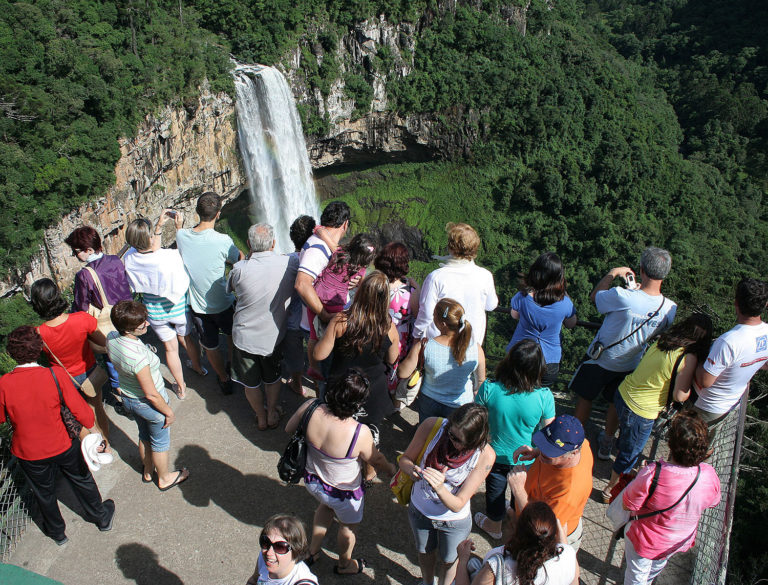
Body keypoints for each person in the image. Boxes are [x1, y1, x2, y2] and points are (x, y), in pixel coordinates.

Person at [0, 326, 115, 545]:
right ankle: (100, 517)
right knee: (81, 478)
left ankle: (58, 532)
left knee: (43, 492)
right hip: (62, 442)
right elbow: (82, 413)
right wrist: (92, 431)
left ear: (11, 354)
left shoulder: (4, 383)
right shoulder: (54, 374)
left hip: (28, 450)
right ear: (40, 348)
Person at [569, 247, 677, 459]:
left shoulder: (623, 296)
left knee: (585, 396)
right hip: (632, 363)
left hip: (601, 359)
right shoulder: (669, 308)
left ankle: (573, 441)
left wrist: (612, 273)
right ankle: (606, 443)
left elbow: (596, 297)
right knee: (614, 402)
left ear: (641, 269)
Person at [285, 369, 396, 576]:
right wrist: (390, 468)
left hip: (314, 481)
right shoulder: (358, 432)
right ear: (358, 404)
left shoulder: (311, 406)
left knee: (324, 508)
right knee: (348, 527)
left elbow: (289, 429)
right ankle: (345, 564)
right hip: (344, 493)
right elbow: (376, 459)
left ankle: (312, 552)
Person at [600, 313, 713, 501]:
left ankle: (614, 453)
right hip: (641, 409)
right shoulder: (688, 357)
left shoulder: (666, 340)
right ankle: (611, 489)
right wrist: (691, 388)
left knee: (626, 437)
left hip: (624, 392)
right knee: (630, 453)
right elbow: (679, 395)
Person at [398, 403, 495, 585]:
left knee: (450, 561)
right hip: (420, 510)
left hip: (454, 521)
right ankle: (427, 582)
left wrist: (440, 488)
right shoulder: (432, 426)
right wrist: (413, 470)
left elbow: (458, 503)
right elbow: (405, 459)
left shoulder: (485, 455)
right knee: (425, 553)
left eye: (459, 440)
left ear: (474, 442)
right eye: (450, 433)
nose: (451, 440)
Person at [621, 410, 720, 585]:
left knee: (637, 574)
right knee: (656, 566)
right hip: (677, 539)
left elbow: (629, 503)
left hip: (646, 538)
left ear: (671, 445)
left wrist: (640, 477)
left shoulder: (654, 473)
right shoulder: (708, 475)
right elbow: (713, 501)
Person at [473, 339, 556, 540]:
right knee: (520, 493)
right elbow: (550, 433)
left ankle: (494, 524)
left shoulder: (489, 389)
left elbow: (476, 420)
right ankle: (517, 522)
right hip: (527, 458)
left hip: (494, 455)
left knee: (494, 492)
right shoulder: (544, 396)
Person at [107, 300, 189, 490]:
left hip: (129, 397)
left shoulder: (112, 337)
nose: (148, 324)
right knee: (160, 442)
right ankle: (164, 478)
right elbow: (151, 394)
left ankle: (147, 470)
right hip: (148, 404)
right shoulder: (137, 357)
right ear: (128, 329)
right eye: (142, 323)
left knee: (144, 436)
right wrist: (168, 412)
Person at [123, 214, 204, 400]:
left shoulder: (129, 259)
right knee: (187, 339)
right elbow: (183, 259)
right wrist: (179, 229)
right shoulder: (169, 256)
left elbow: (150, 250)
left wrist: (158, 227)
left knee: (170, 349)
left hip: (154, 311)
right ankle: (198, 368)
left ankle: (181, 388)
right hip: (177, 308)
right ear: (149, 238)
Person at [227, 223, 298, 430]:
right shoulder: (289, 264)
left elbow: (230, 289)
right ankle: (272, 412)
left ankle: (260, 417)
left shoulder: (239, 270)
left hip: (244, 338)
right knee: (273, 377)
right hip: (272, 338)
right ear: (274, 243)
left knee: (250, 382)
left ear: (248, 244)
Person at [176, 192, 244, 395]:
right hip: (223, 302)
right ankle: (232, 364)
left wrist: (178, 225)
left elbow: (180, 236)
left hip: (198, 306)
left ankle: (223, 379)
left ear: (197, 211)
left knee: (211, 345)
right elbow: (238, 260)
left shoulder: (181, 236)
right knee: (232, 334)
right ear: (218, 214)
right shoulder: (223, 240)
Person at [30, 278, 111, 446]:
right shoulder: (82, 319)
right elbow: (103, 342)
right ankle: (106, 444)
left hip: (63, 380)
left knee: (78, 418)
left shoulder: (38, 333)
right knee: (97, 409)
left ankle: (91, 450)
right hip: (89, 371)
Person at [315, 270, 400, 425]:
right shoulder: (389, 327)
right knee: (365, 435)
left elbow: (319, 354)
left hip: (342, 387)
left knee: (336, 427)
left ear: (361, 293)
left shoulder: (341, 320)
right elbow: (392, 359)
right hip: (372, 392)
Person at [694, 278, 768, 436]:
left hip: (707, 405)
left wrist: (699, 357)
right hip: (730, 403)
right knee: (703, 449)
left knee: (686, 450)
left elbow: (705, 381)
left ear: (736, 303)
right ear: (765, 305)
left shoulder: (729, 341)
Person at [64, 225, 133, 396]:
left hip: (107, 321)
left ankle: (120, 393)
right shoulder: (115, 260)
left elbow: (81, 306)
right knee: (131, 348)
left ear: (88, 250)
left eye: (76, 251)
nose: (75, 255)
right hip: (128, 313)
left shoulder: (84, 275)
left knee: (110, 356)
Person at [507, 415, 593, 550]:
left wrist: (518, 490)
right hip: (533, 506)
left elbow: (540, 530)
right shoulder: (582, 444)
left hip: (548, 539)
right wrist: (536, 452)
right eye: (544, 445)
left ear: (573, 453)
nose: (542, 456)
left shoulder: (570, 490)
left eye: (549, 452)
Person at [399, 298, 485, 422]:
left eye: (434, 315)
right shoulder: (476, 349)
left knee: (428, 434)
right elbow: (480, 381)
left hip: (429, 400)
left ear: (442, 324)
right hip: (460, 404)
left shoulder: (425, 346)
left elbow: (403, 372)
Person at [413, 222, 498, 345]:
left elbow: (426, 315)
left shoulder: (436, 277)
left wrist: (416, 338)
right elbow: (491, 305)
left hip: (438, 344)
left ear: (450, 247)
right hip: (471, 344)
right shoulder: (485, 276)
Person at [456, 501, 579, 585]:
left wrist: (462, 560)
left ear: (517, 529)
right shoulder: (568, 556)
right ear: (553, 534)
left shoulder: (497, 565)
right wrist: (562, 539)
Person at [294, 201, 351, 379]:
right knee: (329, 375)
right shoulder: (317, 250)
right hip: (323, 326)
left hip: (328, 323)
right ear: (345, 224)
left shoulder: (325, 244)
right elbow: (302, 284)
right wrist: (325, 315)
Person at [506, 252, 577, 386]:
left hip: (519, 353)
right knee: (539, 399)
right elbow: (571, 323)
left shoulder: (523, 296)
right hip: (548, 360)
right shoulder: (565, 303)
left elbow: (514, 315)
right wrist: (563, 292)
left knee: (513, 392)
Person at [373, 241, 420, 407]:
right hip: (400, 338)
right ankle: (393, 403)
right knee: (395, 369)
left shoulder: (376, 286)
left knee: (380, 367)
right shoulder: (410, 293)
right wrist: (418, 289)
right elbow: (418, 316)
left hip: (378, 333)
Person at [309, 233, 376, 340]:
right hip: (335, 304)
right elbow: (363, 287)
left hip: (316, 296)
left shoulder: (339, 252)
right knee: (334, 335)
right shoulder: (361, 270)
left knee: (314, 335)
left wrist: (320, 230)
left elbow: (329, 240)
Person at [281, 215, 316, 397]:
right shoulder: (318, 260)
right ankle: (319, 391)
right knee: (317, 356)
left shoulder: (284, 260)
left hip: (291, 319)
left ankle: (297, 384)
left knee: (294, 355)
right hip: (312, 318)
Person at [246, 514, 318, 585]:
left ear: (296, 550)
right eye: (266, 542)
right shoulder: (265, 556)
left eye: (279, 547)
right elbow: (254, 580)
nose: (269, 553)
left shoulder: (301, 582)